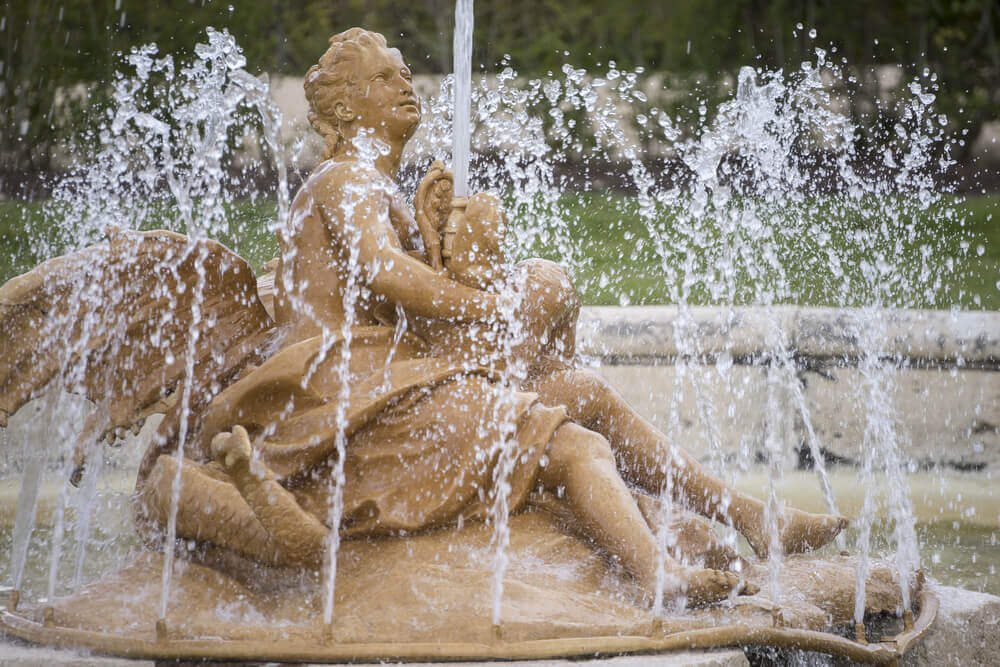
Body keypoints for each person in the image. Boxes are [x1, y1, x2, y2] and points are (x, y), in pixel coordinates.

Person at [136, 28, 846, 606]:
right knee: (572, 446)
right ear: (347, 107)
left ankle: (753, 518)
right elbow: (385, 273)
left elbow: (399, 291)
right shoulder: (345, 178)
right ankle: (658, 574)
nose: (405, 83)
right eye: (384, 77)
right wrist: (489, 305)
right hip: (346, 401)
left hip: (388, 384)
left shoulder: (375, 187)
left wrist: (444, 249)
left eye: (404, 72)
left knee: (585, 392)